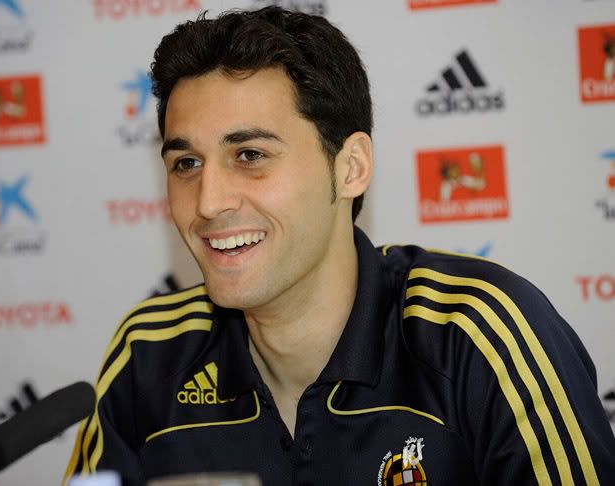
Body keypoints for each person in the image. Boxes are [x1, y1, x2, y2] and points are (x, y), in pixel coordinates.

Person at [64, 7, 615, 485]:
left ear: (351, 168)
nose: (208, 202)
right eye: (186, 163)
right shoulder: (148, 353)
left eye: (250, 155)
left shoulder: (478, 333)